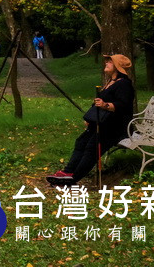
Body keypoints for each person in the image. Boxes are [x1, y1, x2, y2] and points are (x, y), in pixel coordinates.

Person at [46, 54, 135, 187]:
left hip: (115, 127)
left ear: (117, 67)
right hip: (102, 123)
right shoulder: (111, 82)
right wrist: (91, 118)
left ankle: (74, 178)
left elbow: (124, 105)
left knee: (92, 147)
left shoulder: (124, 84)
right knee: (81, 142)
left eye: (110, 62)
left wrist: (106, 105)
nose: (106, 63)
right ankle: (67, 172)